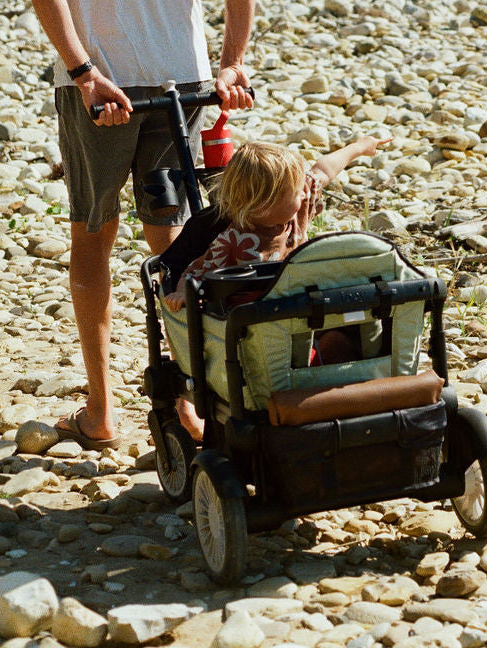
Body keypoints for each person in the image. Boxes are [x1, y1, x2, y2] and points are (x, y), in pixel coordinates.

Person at [20, 0, 258, 450]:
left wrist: (85, 69)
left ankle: (102, 411)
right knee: (174, 241)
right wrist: (231, 64)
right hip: (181, 82)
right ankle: (190, 403)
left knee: (93, 240)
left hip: (103, 88)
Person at [159, 134, 390, 439]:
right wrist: (180, 290)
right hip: (257, 328)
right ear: (262, 201)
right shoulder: (235, 238)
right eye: (295, 192)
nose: (304, 195)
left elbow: (322, 171)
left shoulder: (294, 211)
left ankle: (332, 381)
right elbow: (200, 268)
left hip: (299, 316)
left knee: (340, 339)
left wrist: (359, 147)